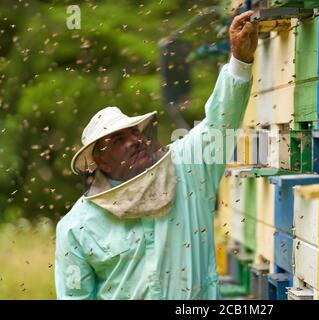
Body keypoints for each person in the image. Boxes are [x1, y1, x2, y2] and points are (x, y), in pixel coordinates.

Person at [54, 10, 258, 299]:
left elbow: (219, 124)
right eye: (118, 139)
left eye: (135, 131)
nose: (136, 140)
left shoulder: (188, 168)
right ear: (99, 159)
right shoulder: (76, 228)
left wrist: (239, 61)